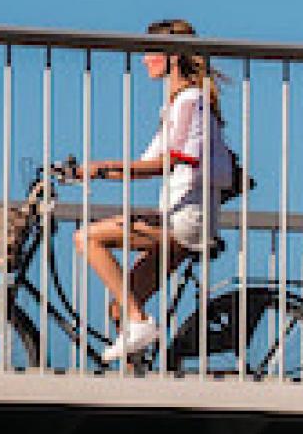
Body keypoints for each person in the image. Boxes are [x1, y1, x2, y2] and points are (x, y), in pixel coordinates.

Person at [67, 19, 242, 362]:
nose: (145, 59)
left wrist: (101, 166)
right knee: (121, 305)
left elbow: (168, 161)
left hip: (184, 221)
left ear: (172, 57)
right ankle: (135, 374)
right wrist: (91, 173)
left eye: (151, 51)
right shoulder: (181, 103)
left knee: (87, 238)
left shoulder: (190, 100)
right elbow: (147, 163)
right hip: (181, 217)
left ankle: (141, 323)